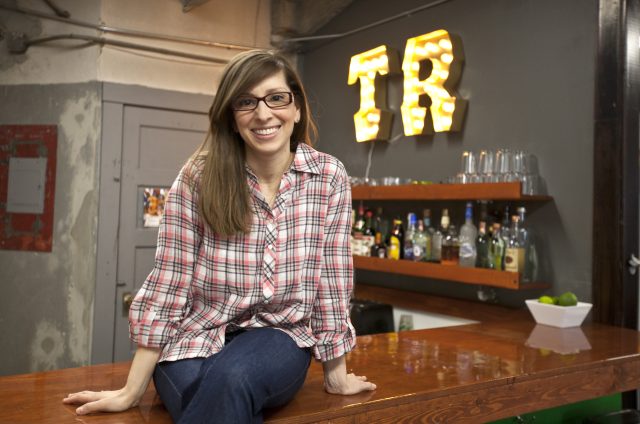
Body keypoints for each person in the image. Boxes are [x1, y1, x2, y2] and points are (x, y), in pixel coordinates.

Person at [63, 49, 376, 423]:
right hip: (192, 341)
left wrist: (335, 374)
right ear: (231, 117)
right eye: (246, 102)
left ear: (296, 108)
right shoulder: (198, 177)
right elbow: (170, 282)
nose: (263, 114)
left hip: (278, 339)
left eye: (276, 98)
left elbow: (332, 280)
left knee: (232, 377)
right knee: (223, 397)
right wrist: (132, 391)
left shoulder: (328, 177)